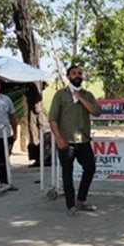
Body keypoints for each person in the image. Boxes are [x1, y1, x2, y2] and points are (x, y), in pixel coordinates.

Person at [48, 65, 102, 216]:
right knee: (67, 172)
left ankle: (81, 200)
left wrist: (81, 98)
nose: (77, 75)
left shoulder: (87, 94)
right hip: (66, 141)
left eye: (79, 73)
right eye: (74, 73)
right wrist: (58, 137)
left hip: (83, 139)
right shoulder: (60, 95)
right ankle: (71, 205)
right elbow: (52, 118)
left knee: (90, 168)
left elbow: (96, 112)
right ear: (68, 76)